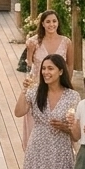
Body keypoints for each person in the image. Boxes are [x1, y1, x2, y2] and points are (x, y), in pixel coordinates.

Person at [21, 10, 73, 150]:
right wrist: (28, 87)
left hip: (59, 86)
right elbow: (29, 65)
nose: (51, 24)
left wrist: (68, 84)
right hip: (38, 85)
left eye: (54, 21)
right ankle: (32, 153)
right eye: (48, 21)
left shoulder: (66, 42)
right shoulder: (33, 42)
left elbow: (70, 64)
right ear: (42, 23)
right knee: (35, 120)